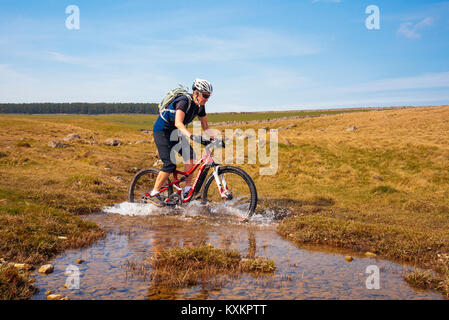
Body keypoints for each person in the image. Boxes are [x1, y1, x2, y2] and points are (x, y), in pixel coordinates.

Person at [148, 79, 214, 207]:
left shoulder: (200, 106)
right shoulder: (184, 101)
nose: (207, 99)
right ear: (196, 93)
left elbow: (205, 125)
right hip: (162, 131)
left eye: (208, 96)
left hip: (175, 133)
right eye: (205, 95)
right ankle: (153, 194)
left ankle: (187, 191)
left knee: (190, 156)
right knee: (170, 163)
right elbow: (178, 122)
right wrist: (191, 135)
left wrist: (214, 138)